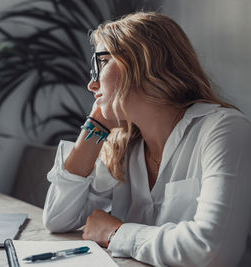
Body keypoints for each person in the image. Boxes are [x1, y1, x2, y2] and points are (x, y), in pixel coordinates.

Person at [42, 11, 251, 267]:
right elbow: (57, 219)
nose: (91, 84)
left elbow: (213, 251)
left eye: (102, 63)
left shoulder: (224, 130)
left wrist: (116, 232)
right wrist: (96, 124)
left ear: (142, 62)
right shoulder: (123, 146)